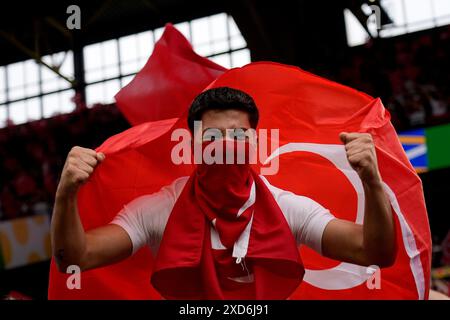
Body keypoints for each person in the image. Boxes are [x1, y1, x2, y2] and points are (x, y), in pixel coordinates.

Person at [51, 87, 396, 299]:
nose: (227, 146)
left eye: (238, 135)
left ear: (255, 143)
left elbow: (373, 252)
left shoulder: (288, 207)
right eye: (212, 137)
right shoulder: (158, 209)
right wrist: (65, 195)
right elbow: (76, 259)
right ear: (192, 145)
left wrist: (371, 181)